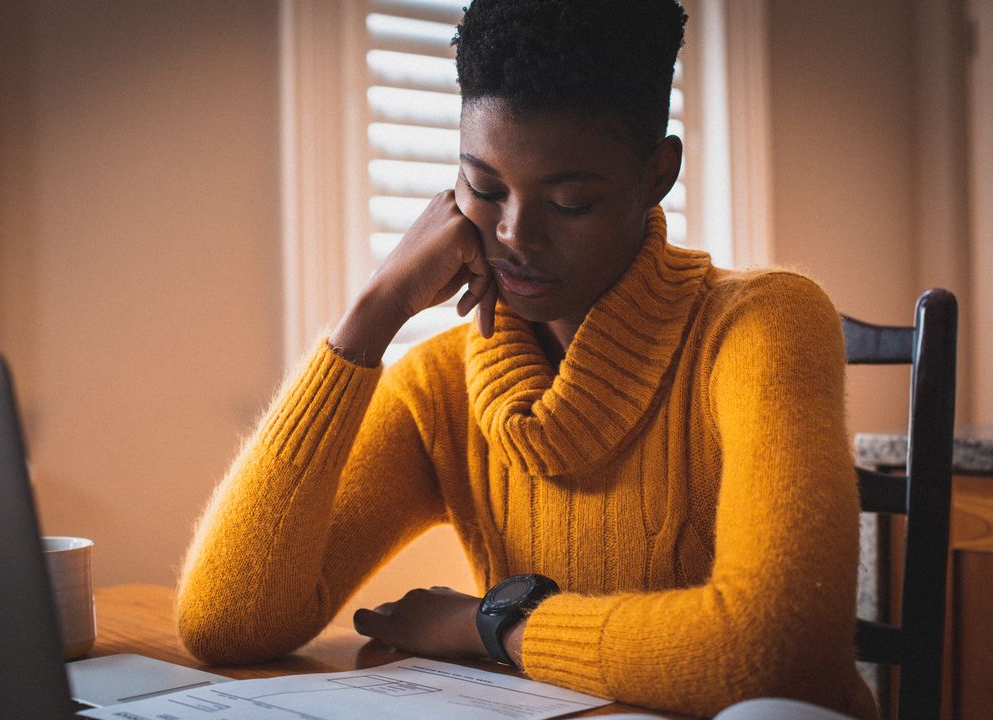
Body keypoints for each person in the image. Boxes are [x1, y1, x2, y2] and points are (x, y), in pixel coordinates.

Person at [176, 1, 877, 718]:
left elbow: (774, 652)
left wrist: (494, 624)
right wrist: (369, 317)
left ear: (657, 173)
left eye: (570, 201)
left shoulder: (762, 324)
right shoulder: (442, 385)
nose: (515, 233)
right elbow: (227, 623)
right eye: (482, 188)